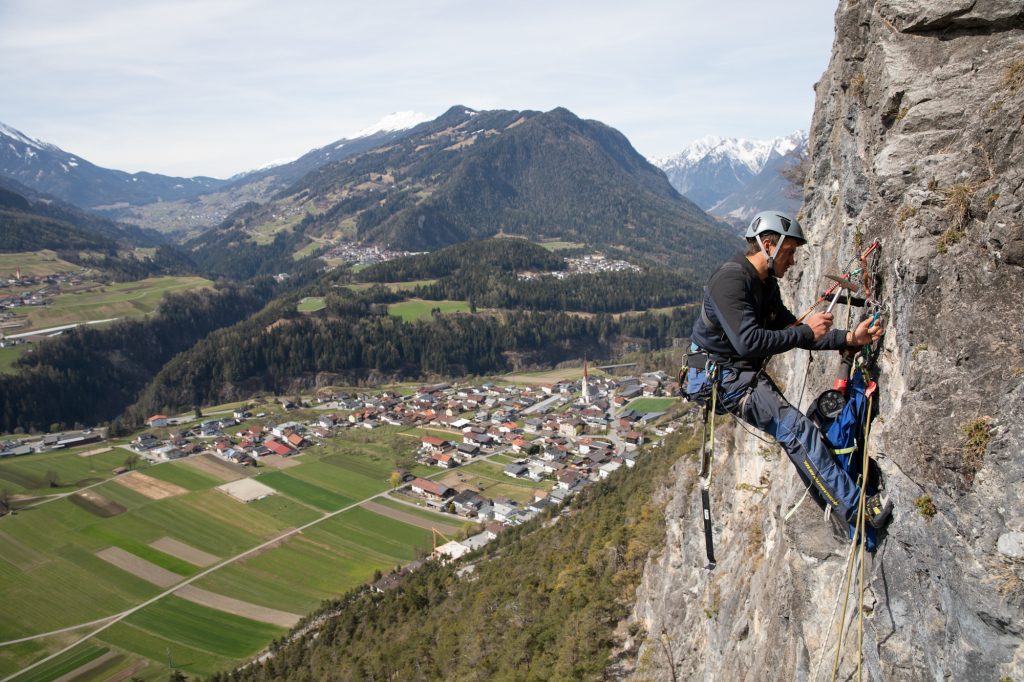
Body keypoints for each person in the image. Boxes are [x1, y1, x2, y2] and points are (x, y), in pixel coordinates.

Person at [685, 210, 892, 530]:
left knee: (796, 432)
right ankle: (856, 510)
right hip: (722, 377)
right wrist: (806, 332)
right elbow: (750, 342)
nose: (792, 261)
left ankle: (839, 501)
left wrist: (850, 337)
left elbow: (792, 329)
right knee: (797, 430)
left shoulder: (765, 286)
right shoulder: (730, 280)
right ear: (768, 245)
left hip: (736, 372)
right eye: (789, 251)